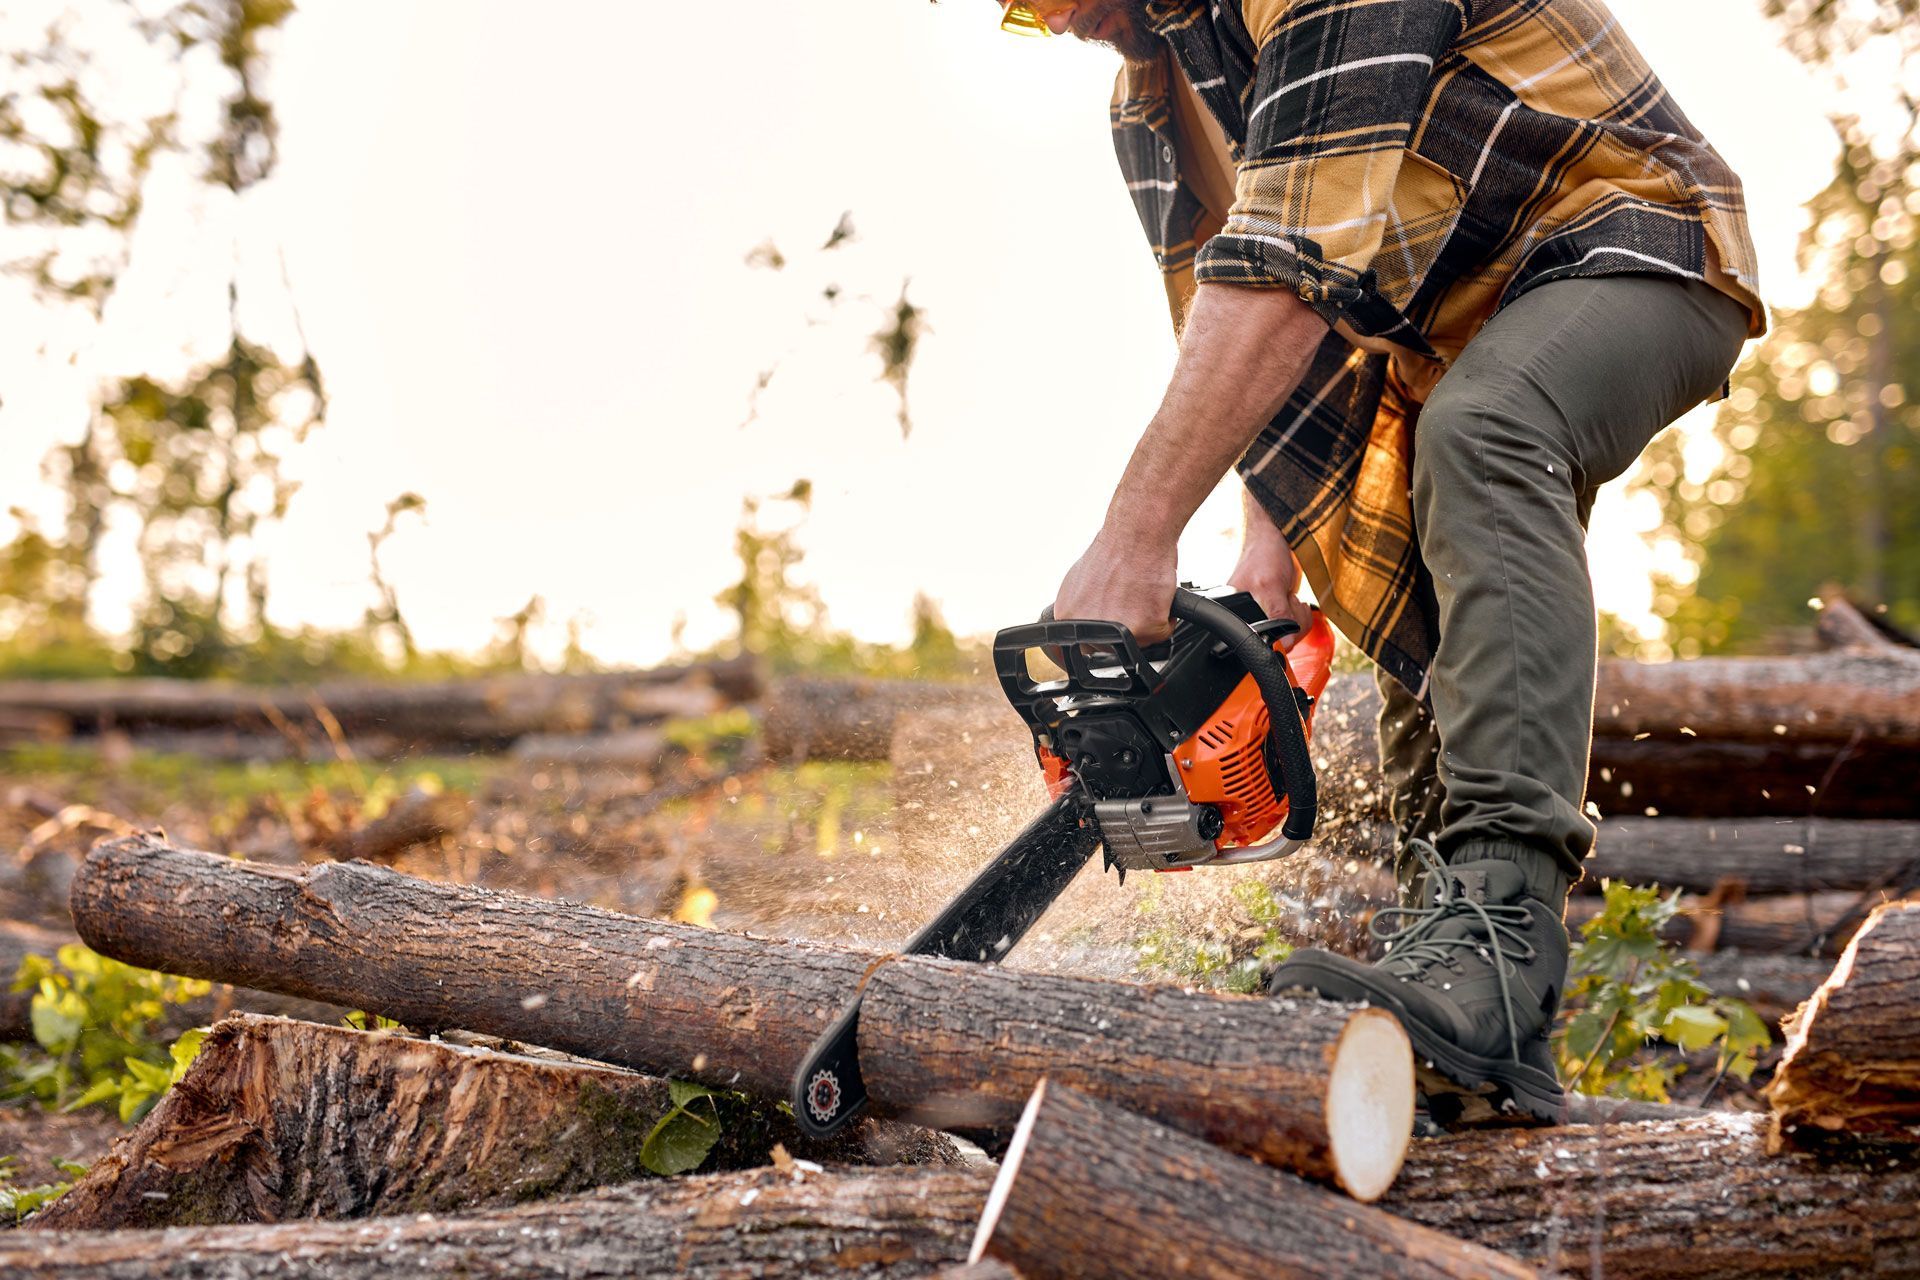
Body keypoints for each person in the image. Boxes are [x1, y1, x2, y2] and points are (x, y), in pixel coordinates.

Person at [1005, 0, 1763, 1118]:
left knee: (1485, 432)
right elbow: (1249, 333)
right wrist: (1268, 560)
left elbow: (1284, 268)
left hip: (1633, 232)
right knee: (1423, 573)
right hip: (1443, 345)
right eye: (1028, 14)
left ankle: (1502, 941)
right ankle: (1450, 995)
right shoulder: (1155, 97)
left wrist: (1133, 537)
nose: (1057, 22)